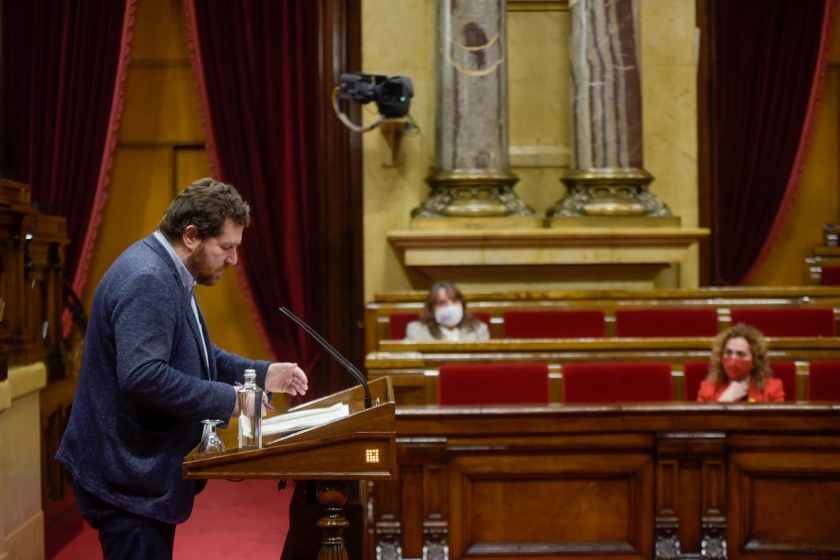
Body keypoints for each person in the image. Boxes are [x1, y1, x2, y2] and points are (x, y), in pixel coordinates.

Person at [56, 178, 309, 560]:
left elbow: (202, 355)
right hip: (127, 478)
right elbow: (143, 375)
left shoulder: (166, 269)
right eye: (226, 247)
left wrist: (265, 373)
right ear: (191, 235)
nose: (233, 259)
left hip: (137, 473)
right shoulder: (149, 278)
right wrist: (236, 401)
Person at [697, 323, 784, 403]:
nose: (733, 359)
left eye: (741, 354)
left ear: (755, 361)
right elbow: (702, 420)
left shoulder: (772, 389)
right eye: (728, 353)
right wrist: (725, 400)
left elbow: (777, 420)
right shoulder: (707, 389)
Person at [405, 281, 490, 342]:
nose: (450, 307)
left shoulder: (478, 330)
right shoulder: (416, 331)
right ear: (432, 308)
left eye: (455, 301)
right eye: (443, 303)